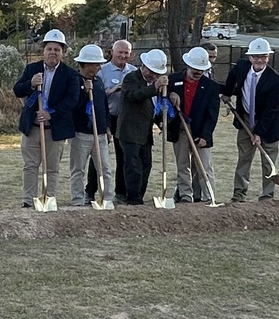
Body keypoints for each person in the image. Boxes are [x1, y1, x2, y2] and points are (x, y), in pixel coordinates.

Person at [13, 29, 81, 207]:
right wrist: (30, 84)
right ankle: (28, 201)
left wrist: (51, 113)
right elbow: (17, 90)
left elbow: (71, 100)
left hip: (55, 129)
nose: (53, 52)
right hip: (32, 127)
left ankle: (48, 198)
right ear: (43, 51)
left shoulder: (70, 74)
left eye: (57, 50)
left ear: (63, 53)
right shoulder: (32, 69)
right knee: (30, 165)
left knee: (52, 168)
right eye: (49, 49)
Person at [222, 37, 279, 201]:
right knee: (244, 158)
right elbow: (232, 77)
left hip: (269, 125)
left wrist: (258, 133)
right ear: (250, 57)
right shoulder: (241, 67)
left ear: (268, 57)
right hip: (245, 120)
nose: (260, 60)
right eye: (256, 56)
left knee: (268, 160)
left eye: (263, 56)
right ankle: (239, 194)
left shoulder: (275, 81)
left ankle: (267, 196)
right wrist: (227, 93)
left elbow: (270, 111)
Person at [167, 47, 220, 204]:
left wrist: (205, 135)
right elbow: (162, 96)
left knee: (204, 166)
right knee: (183, 165)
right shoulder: (173, 80)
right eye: (196, 69)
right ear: (188, 65)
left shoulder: (211, 86)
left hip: (200, 130)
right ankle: (185, 196)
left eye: (202, 70)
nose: (198, 73)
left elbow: (212, 115)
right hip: (180, 129)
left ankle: (209, 196)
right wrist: (170, 94)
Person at [117, 49, 169, 206]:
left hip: (145, 132)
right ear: (144, 66)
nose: (153, 75)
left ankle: (140, 195)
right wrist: (154, 87)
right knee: (133, 166)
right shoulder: (131, 78)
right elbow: (134, 96)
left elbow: (155, 105)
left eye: (156, 73)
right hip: (129, 131)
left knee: (146, 165)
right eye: (151, 72)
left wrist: (160, 120)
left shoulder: (157, 84)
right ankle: (132, 198)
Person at [86, 39, 136, 201]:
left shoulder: (133, 72)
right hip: (106, 118)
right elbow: (97, 95)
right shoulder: (102, 71)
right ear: (112, 53)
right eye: (120, 52)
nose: (123, 55)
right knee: (98, 156)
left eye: (126, 53)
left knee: (123, 156)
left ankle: (120, 192)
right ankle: (90, 191)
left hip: (126, 120)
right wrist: (114, 89)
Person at [68, 44, 114, 207]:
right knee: (78, 169)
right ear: (86, 64)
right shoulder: (74, 81)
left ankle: (107, 198)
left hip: (100, 134)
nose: (99, 67)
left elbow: (103, 106)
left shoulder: (99, 82)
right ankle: (78, 199)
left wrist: (107, 126)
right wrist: (85, 92)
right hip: (81, 133)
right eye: (96, 64)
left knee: (105, 168)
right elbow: (72, 105)